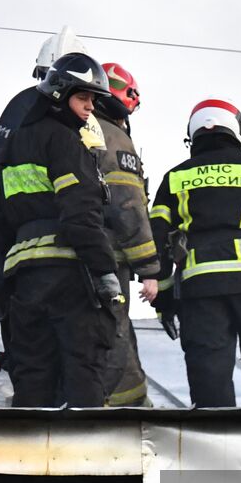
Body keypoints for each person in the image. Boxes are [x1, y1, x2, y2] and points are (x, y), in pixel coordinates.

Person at [0, 52, 119, 408]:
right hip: (69, 274)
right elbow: (80, 214)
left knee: (32, 375)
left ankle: (30, 457)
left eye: (93, 99)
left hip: (24, 281)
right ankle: (86, 456)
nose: (91, 107)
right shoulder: (64, 141)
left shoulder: (11, 147)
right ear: (60, 95)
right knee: (83, 368)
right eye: (83, 97)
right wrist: (105, 271)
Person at [148, 100, 241, 408]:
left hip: (199, 284)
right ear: (235, 128)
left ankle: (216, 444)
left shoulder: (176, 177)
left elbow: (157, 240)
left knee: (208, 367)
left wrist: (163, 300)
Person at [92, 62, 161, 406]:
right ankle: (127, 413)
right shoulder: (114, 137)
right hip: (108, 262)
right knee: (115, 337)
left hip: (62, 260)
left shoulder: (71, 130)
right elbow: (128, 206)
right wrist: (149, 269)